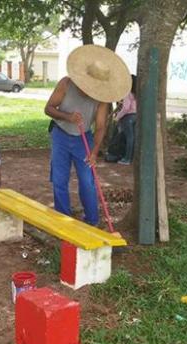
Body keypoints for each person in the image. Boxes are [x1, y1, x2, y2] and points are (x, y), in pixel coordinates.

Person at [44, 45, 130, 225]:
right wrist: (67, 116)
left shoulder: (101, 99)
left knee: (87, 182)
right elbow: (48, 109)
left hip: (83, 139)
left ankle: (92, 221)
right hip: (60, 135)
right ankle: (63, 219)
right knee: (60, 179)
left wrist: (94, 151)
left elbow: (100, 127)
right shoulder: (66, 84)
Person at [114, 74, 138, 165]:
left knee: (129, 138)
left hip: (128, 117)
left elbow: (126, 108)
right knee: (133, 137)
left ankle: (127, 159)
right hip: (137, 116)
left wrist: (117, 117)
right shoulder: (138, 93)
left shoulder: (128, 93)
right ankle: (131, 158)